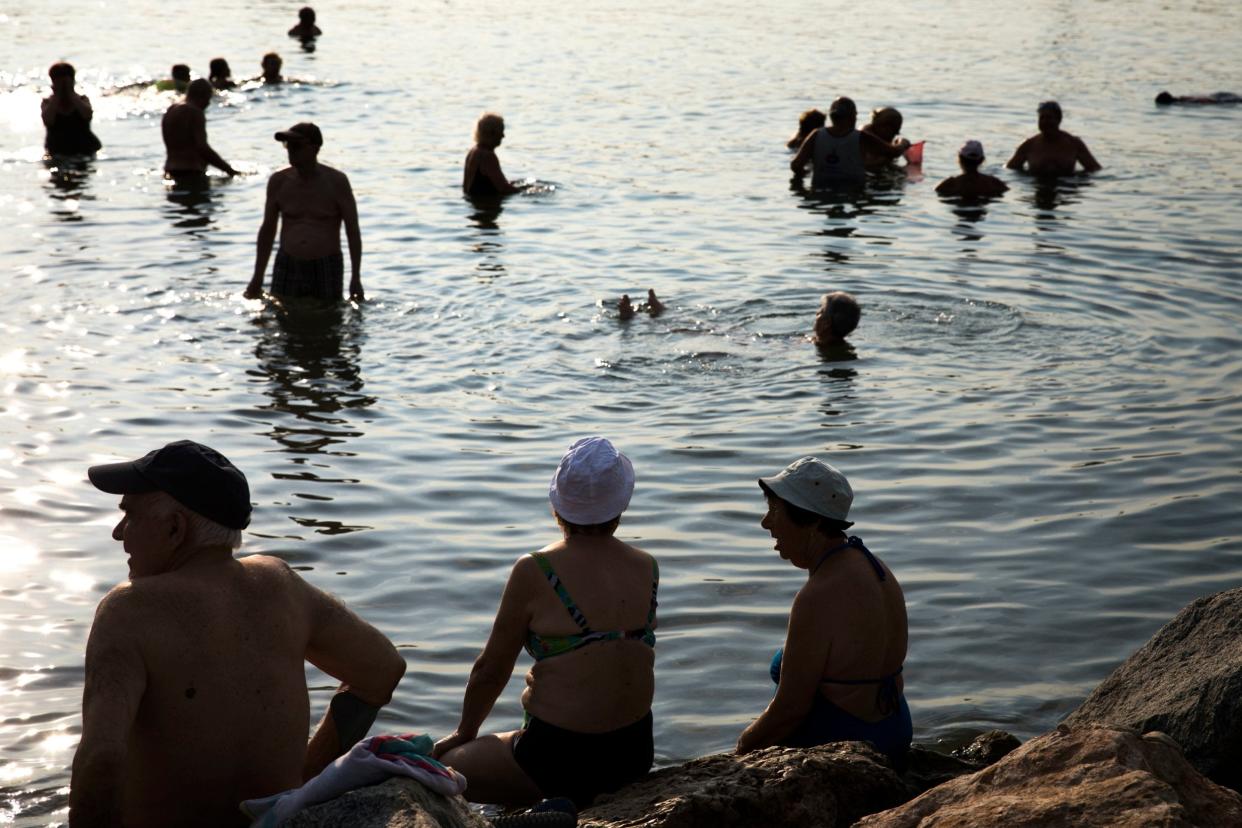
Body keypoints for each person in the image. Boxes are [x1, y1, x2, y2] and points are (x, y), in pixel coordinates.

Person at [68, 440, 406, 827]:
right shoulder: (281, 584)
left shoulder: (127, 610)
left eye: (129, 515)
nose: (117, 532)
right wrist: (305, 781)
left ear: (175, 528)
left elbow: (102, 757)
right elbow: (382, 670)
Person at [433, 437, 658, 810]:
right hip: (634, 752)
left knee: (442, 770)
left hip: (557, 758)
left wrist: (463, 732)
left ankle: (541, 807)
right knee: (513, 745)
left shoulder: (535, 570)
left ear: (558, 506)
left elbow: (491, 669)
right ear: (621, 506)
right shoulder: (647, 566)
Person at [737, 457, 911, 762]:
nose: (766, 522)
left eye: (775, 511)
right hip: (894, 728)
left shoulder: (817, 597)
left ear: (813, 521)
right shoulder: (874, 566)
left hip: (848, 741)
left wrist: (740, 750)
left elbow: (790, 711)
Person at [247, 123, 364, 302]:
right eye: (287, 146)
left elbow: (353, 230)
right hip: (288, 262)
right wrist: (257, 277)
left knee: (328, 320)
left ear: (315, 148)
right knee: (282, 320)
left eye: (296, 146)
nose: (290, 151)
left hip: (326, 263)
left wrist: (355, 277)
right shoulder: (279, 181)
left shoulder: (337, 182)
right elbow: (267, 231)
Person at [791, 96, 910, 188]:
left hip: (820, 188)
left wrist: (805, 174)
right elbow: (894, 152)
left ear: (832, 117)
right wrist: (903, 143)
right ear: (853, 117)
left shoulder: (816, 135)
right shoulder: (861, 137)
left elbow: (796, 165)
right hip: (853, 190)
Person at [161, 78, 238, 184]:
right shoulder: (195, 112)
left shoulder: (171, 110)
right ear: (202, 95)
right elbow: (202, 147)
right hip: (191, 173)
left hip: (169, 171)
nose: (208, 103)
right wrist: (230, 171)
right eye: (208, 98)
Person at [1006, 101, 1101, 176]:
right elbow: (1009, 169)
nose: (1045, 122)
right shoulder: (1028, 145)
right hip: (1038, 187)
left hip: (1065, 191)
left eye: (1049, 118)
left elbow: (1095, 169)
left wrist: (1078, 181)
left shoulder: (1074, 144)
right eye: (1042, 118)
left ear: (1059, 120)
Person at [41, 62, 101, 156]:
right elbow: (48, 121)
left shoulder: (82, 99)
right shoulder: (47, 103)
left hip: (85, 149)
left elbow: (87, 115)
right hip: (57, 150)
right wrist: (57, 95)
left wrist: (70, 93)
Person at [463, 112, 527, 197]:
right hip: (487, 206)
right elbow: (503, 188)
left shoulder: (474, 151)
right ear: (491, 133)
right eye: (501, 131)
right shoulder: (487, 156)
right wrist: (528, 192)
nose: (503, 136)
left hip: (476, 204)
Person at [935, 140, 1008, 199]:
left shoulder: (950, 184)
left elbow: (937, 193)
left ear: (959, 158)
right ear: (982, 160)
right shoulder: (994, 183)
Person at [1155, 90, 1242, 105]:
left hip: (1213, 100)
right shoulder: (1180, 98)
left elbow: (1198, 101)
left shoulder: (1181, 103)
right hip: (1213, 97)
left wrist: (1212, 103)